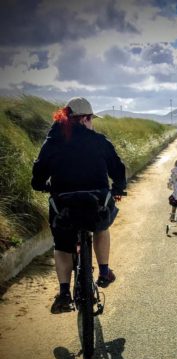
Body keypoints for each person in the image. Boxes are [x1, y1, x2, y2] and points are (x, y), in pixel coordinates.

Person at [31, 97, 126, 313]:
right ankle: (103, 271)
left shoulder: (52, 141)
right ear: (84, 119)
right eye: (91, 118)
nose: (92, 122)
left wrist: (42, 185)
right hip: (96, 204)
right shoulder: (99, 141)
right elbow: (118, 169)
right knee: (101, 227)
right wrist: (119, 188)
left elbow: (38, 175)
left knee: (63, 245)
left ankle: (64, 292)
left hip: (64, 204)